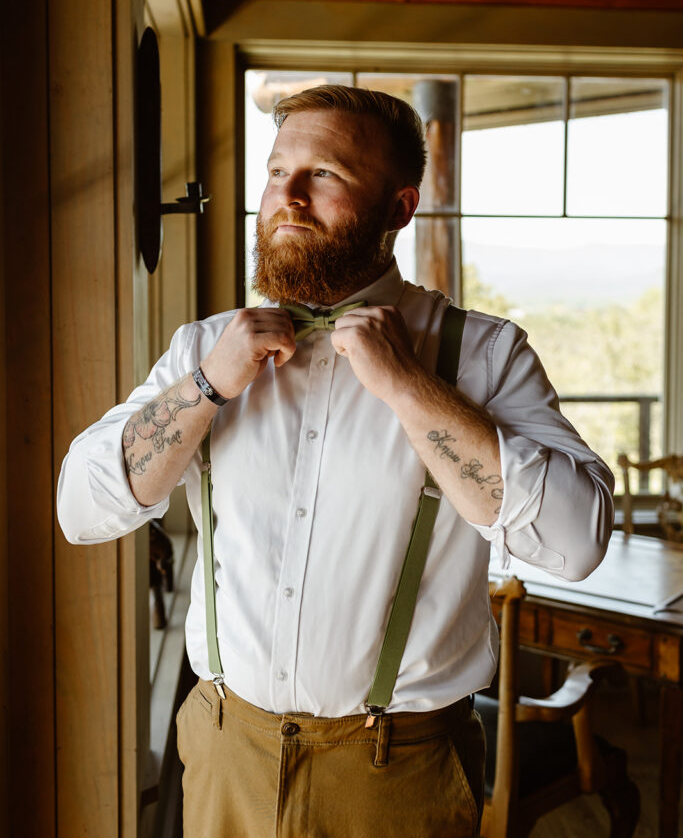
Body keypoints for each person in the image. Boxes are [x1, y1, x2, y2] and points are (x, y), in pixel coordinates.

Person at [58, 85, 614, 837]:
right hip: (225, 747)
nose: (285, 197)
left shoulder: (480, 354)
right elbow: (81, 512)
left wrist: (411, 388)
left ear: (398, 208)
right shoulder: (205, 349)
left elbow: (576, 543)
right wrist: (206, 386)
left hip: (399, 770)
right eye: (275, 170)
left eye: (322, 174)